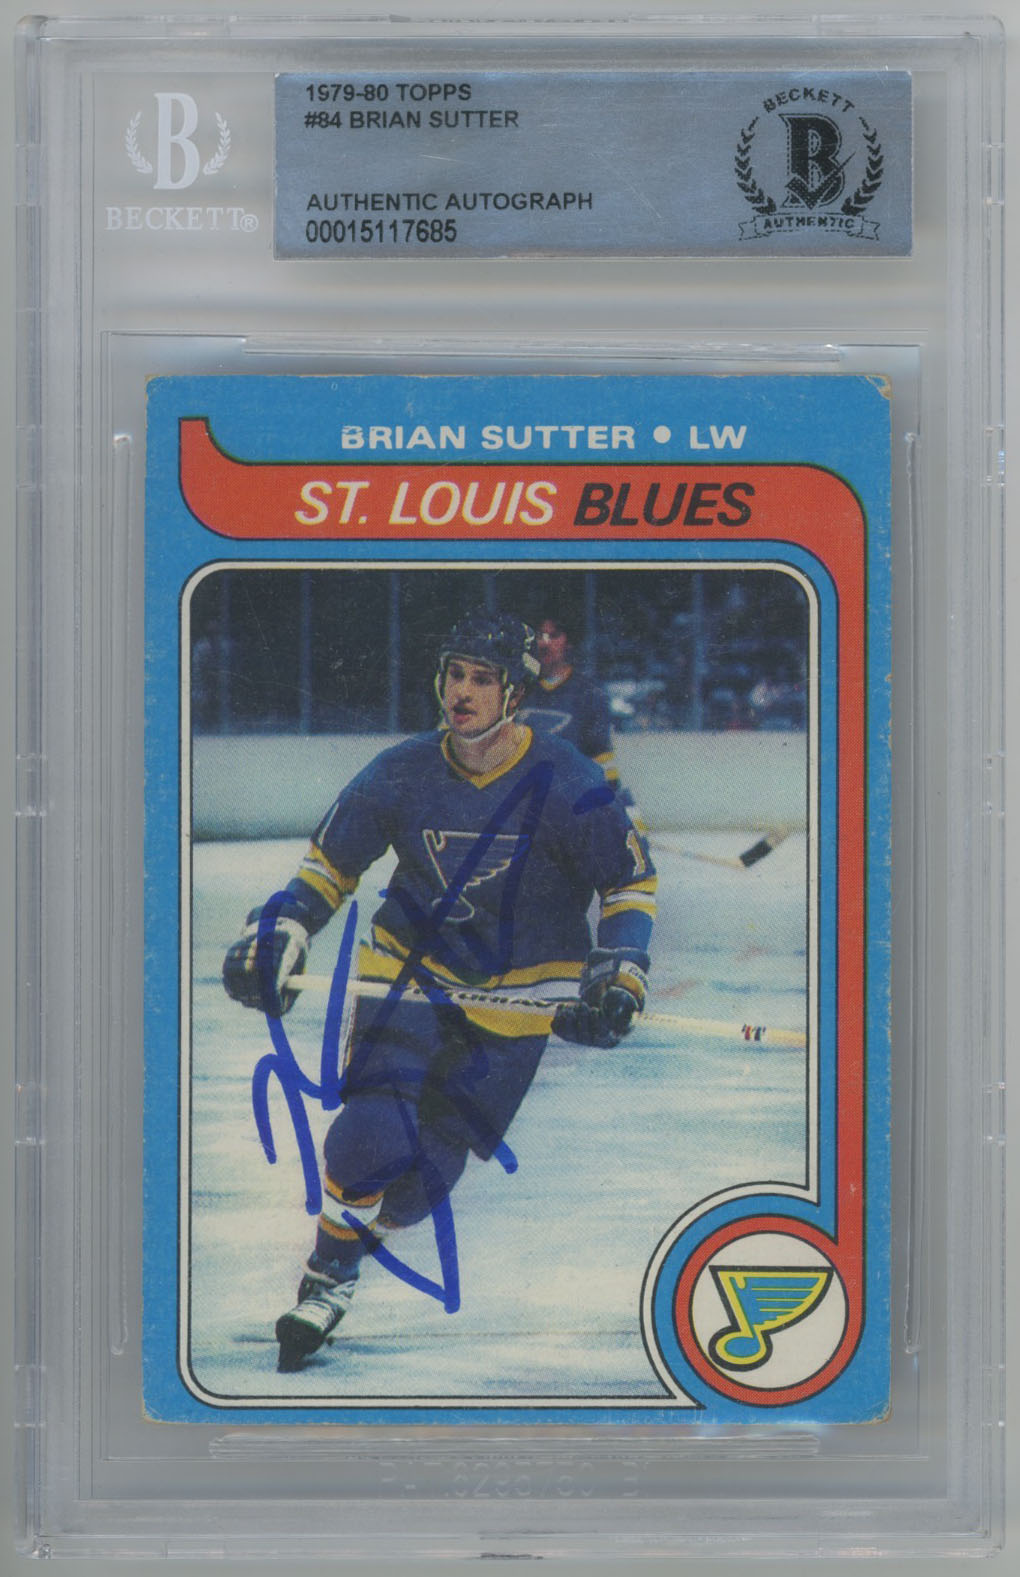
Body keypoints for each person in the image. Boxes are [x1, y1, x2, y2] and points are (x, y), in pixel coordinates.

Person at [223, 612, 657, 1373]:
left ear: (513, 693)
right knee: (372, 1133)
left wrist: (619, 970)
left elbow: (628, 881)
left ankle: (355, 1235)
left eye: (482, 679)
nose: (462, 693)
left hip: (518, 999)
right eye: (455, 674)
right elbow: (329, 865)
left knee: (424, 1180)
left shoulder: (569, 779)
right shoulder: (403, 768)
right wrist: (284, 927)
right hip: (409, 975)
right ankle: (329, 1276)